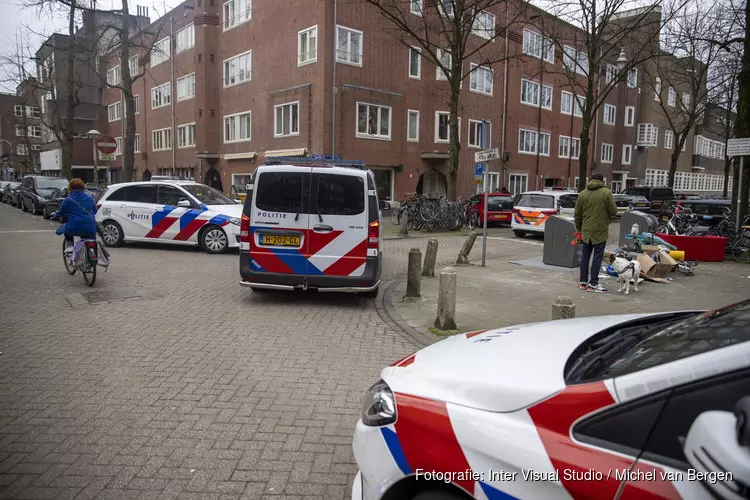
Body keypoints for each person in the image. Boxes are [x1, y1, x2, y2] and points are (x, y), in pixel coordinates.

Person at [574, 173, 617, 293]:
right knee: (598, 256)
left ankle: (583, 282)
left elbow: (577, 214)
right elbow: (614, 210)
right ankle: (593, 284)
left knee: (585, 256)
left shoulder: (583, 193)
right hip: (600, 231)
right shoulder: (607, 193)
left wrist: (579, 230)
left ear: (591, 180)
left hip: (586, 231)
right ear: (602, 181)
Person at [52, 178, 98, 253]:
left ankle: (70, 245)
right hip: (90, 227)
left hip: (74, 226)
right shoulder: (90, 198)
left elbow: (60, 212)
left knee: (65, 229)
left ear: (70, 188)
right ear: (83, 187)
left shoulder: (68, 200)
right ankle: (95, 256)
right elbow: (95, 211)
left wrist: (55, 215)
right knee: (92, 240)